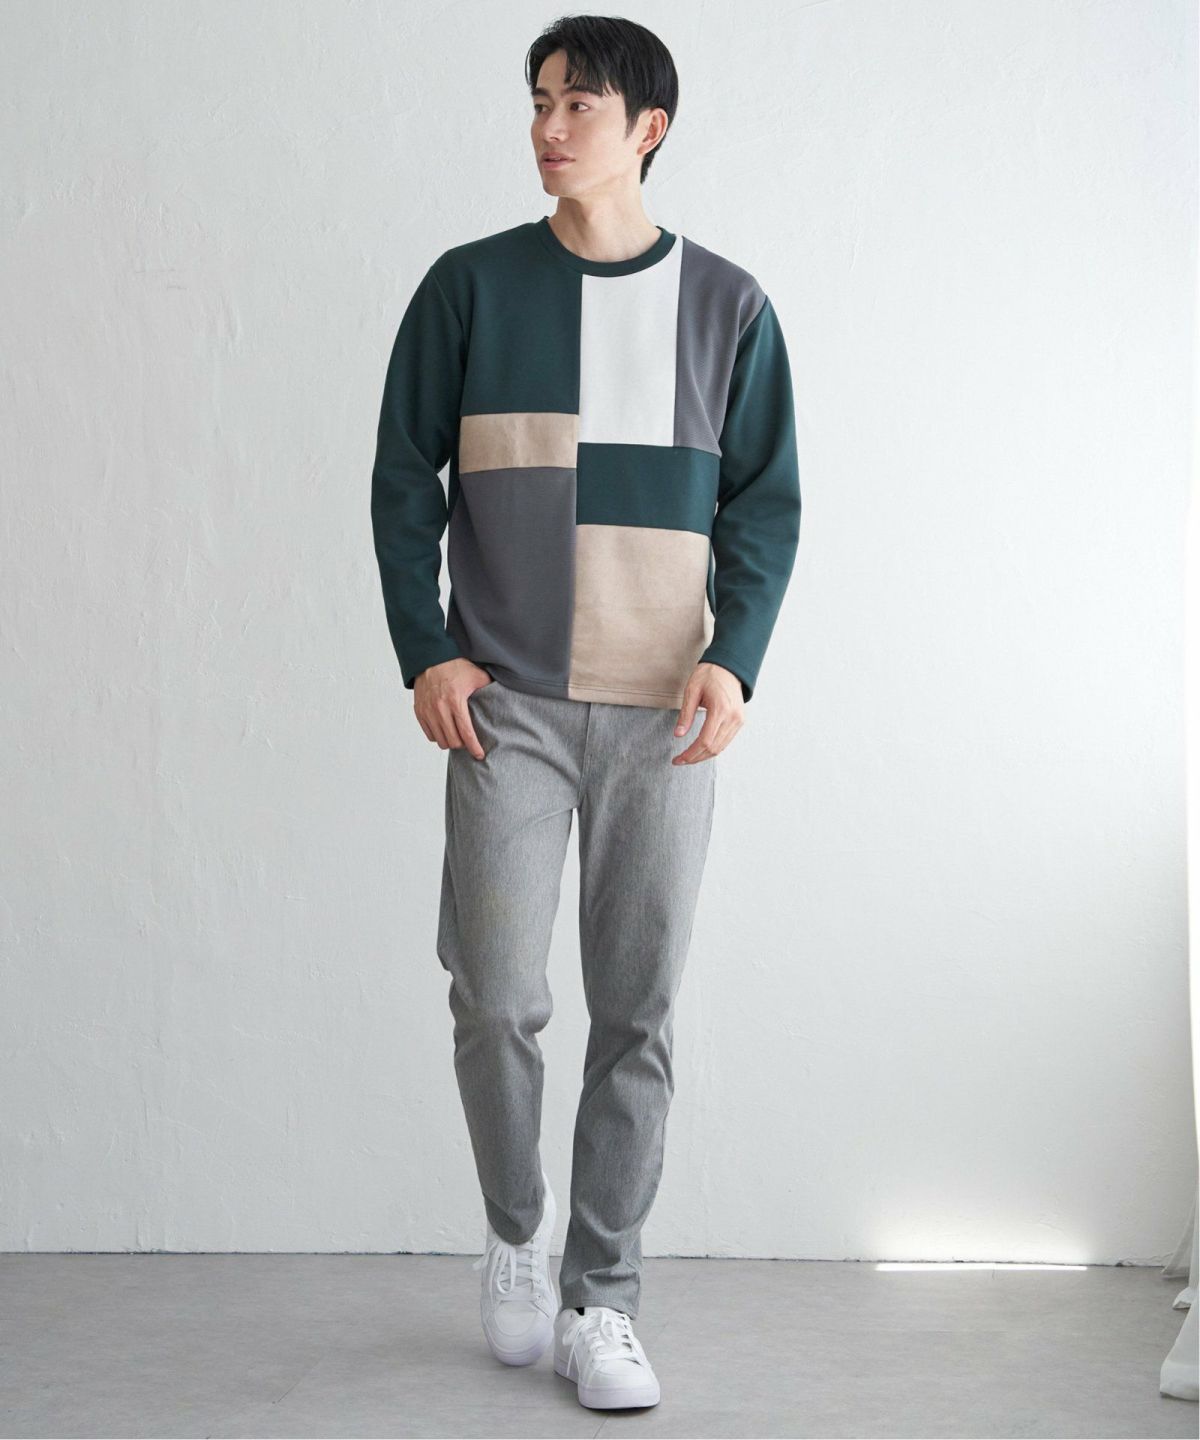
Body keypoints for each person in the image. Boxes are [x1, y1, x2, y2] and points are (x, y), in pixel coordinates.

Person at [370, 11, 801, 1412]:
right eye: (540, 100)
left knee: (637, 1010)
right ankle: (516, 1232)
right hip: (507, 709)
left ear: (647, 130)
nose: (549, 128)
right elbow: (403, 478)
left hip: (663, 717)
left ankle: (601, 1297)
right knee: (496, 997)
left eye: (580, 105)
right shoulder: (469, 288)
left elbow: (763, 506)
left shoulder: (730, 306)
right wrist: (428, 649)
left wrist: (735, 659)